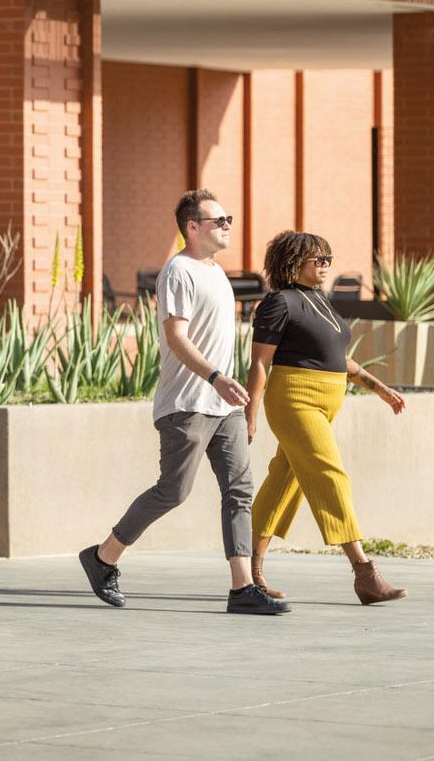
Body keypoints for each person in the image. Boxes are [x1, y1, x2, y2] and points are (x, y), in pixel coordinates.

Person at [79, 190, 287, 615]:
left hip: (224, 406)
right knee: (173, 491)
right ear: (192, 228)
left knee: (239, 490)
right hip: (188, 402)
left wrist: (236, 398)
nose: (228, 225)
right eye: (218, 220)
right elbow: (176, 337)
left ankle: (242, 588)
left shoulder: (216, 274)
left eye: (228, 218)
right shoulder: (178, 271)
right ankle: (102, 557)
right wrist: (215, 377)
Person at [245, 230, 408, 605]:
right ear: (292, 262)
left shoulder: (319, 301)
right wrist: (250, 414)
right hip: (294, 400)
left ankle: (249, 570)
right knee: (328, 472)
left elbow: (336, 358)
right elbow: (258, 362)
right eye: (317, 259)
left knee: (284, 482)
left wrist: (378, 387)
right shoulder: (278, 303)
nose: (325, 266)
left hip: (327, 399)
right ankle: (365, 572)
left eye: (327, 259)